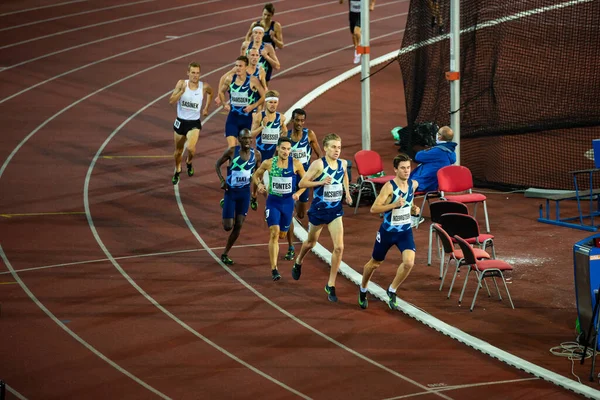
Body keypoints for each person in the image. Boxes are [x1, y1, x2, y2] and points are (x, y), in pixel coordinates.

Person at [291, 134, 353, 303]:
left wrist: (347, 193)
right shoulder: (318, 165)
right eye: (333, 147)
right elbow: (302, 184)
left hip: (335, 211)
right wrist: (320, 183)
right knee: (310, 243)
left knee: (339, 248)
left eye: (339, 147)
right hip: (318, 210)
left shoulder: (343, 164)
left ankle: (331, 284)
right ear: (325, 148)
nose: (336, 151)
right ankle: (298, 260)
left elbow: (345, 176)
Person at [358, 153, 420, 310]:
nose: (406, 171)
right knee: (374, 264)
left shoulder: (413, 185)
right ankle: (363, 289)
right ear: (395, 169)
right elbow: (374, 209)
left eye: (408, 168)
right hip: (387, 232)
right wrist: (393, 205)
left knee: (409, 262)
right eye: (403, 168)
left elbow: (409, 204)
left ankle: (392, 290)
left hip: (405, 231)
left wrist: (413, 209)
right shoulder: (389, 187)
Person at [252, 137, 306, 281]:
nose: (286, 152)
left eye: (289, 149)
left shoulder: (295, 164)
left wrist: (299, 193)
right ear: (277, 148)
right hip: (273, 202)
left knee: (282, 235)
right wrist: (259, 185)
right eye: (283, 148)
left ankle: (285, 245)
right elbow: (255, 175)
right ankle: (274, 269)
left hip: (288, 203)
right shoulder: (269, 163)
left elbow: (306, 181)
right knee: (274, 233)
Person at [215, 129, 261, 265]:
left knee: (239, 225)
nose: (247, 141)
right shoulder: (232, 151)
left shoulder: (257, 155)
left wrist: (254, 195)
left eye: (249, 138)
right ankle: (225, 202)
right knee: (227, 227)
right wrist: (222, 180)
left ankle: (225, 253)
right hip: (231, 192)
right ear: (239, 140)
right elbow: (217, 164)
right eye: (244, 139)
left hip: (244, 193)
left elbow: (256, 175)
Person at [283, 108, 323, 261]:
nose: (299, 123)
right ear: (292, 121)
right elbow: (277, 156)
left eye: (302, 120)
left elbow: (319, 154)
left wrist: (319, 170)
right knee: (289, 214)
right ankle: (291, 246)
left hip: (304, 179)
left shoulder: (309, 135)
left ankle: (293, 208)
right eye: (297, 120)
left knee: (301, 214)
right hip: (289, 177)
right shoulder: (285, 137)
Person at [168, 61, 213, 185]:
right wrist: (181, 92)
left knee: (191, 147)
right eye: (193, 73)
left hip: (194, 123)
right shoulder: (182, 83)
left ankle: (189, 161)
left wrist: (206, 108)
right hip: (180, 122)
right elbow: (171, 100)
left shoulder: (203, 86)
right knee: (178, 151)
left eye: (197, 73)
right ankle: (177, 169)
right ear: (188, 73)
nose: (195, 75)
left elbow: (211, 92)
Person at [219, 55, 265, 149]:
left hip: (246, 119)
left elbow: (264, 96)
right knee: (232, 147)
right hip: (233, 118)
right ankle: (230, 164)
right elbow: (221, 92)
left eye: (240, 66)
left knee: (244, 148)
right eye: (236, 66)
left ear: (246, 67)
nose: (238, 68)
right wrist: (224, 103)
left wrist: (253, 106)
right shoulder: (230, 79)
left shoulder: (253, 80)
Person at [409, 125, 456, 193]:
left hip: (424, 182)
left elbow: (418, 156)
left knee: (398, 186)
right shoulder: (452, 153)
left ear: (440, 137)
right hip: (436, 183)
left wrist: (426, 150)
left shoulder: (437, 151)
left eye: (438, 133)